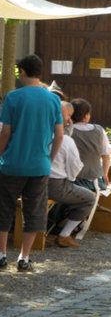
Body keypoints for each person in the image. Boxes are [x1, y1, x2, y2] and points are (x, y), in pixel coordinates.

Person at [0, 54, 63, 272]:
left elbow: (5, 132)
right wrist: (50, 159)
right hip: (40, 166)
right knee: (34, 212)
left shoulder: (13, 97)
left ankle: (1, 254)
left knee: (4, 209)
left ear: (22, 72)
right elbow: (60, 135)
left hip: (12, 164)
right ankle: (24, 258)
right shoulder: (53, 99)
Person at [48, 101, 96, 248]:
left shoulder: (36, 134)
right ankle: (64, 235)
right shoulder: (66, 140)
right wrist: (70, 178)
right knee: (89, 198)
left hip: (31, 181)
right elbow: (75, 168)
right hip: (55, 186)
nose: (70, 120)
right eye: (68, 116)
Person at [70, 98, 110, 192]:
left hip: (74, 181)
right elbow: (106, 157)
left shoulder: (67, 131)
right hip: (98, 182)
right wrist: (104, 176)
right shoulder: (99, 130)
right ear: (86, 115)